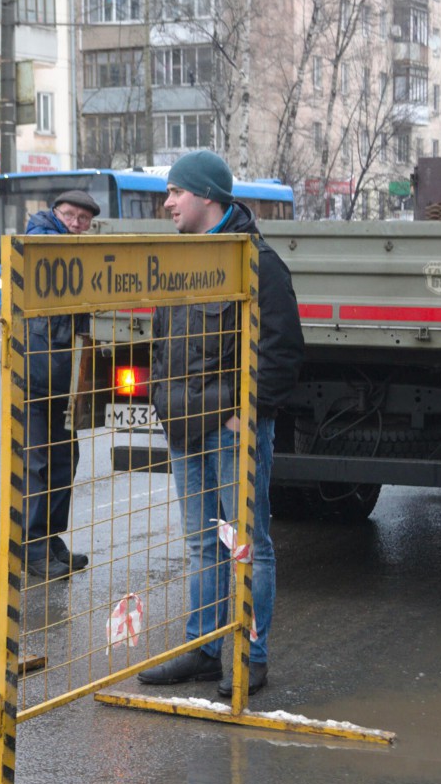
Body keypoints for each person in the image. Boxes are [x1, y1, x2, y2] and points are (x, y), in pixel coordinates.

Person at [136, 151, 303, 699]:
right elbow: (163, 345)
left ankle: (251, 657)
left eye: (176, 193)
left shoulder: (256, 261)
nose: (168, 203)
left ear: (207, 197)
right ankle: (205, 650)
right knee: (203, 545)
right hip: (185, 427)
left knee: (247, 544)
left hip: (232, 433)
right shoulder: (180, 260)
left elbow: (281, 350)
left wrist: (246, 415)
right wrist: (163, 403)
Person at [22, 188, 101, 582]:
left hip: (65, 383)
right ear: (54, 212)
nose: (75, 224)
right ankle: (32, 549)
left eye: (83, 220)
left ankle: (51, 540)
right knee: (37, 465)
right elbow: (42, 246)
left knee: (65, 463)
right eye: (69, 215)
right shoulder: (39, 238)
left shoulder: (79, 254)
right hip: (36, 380)